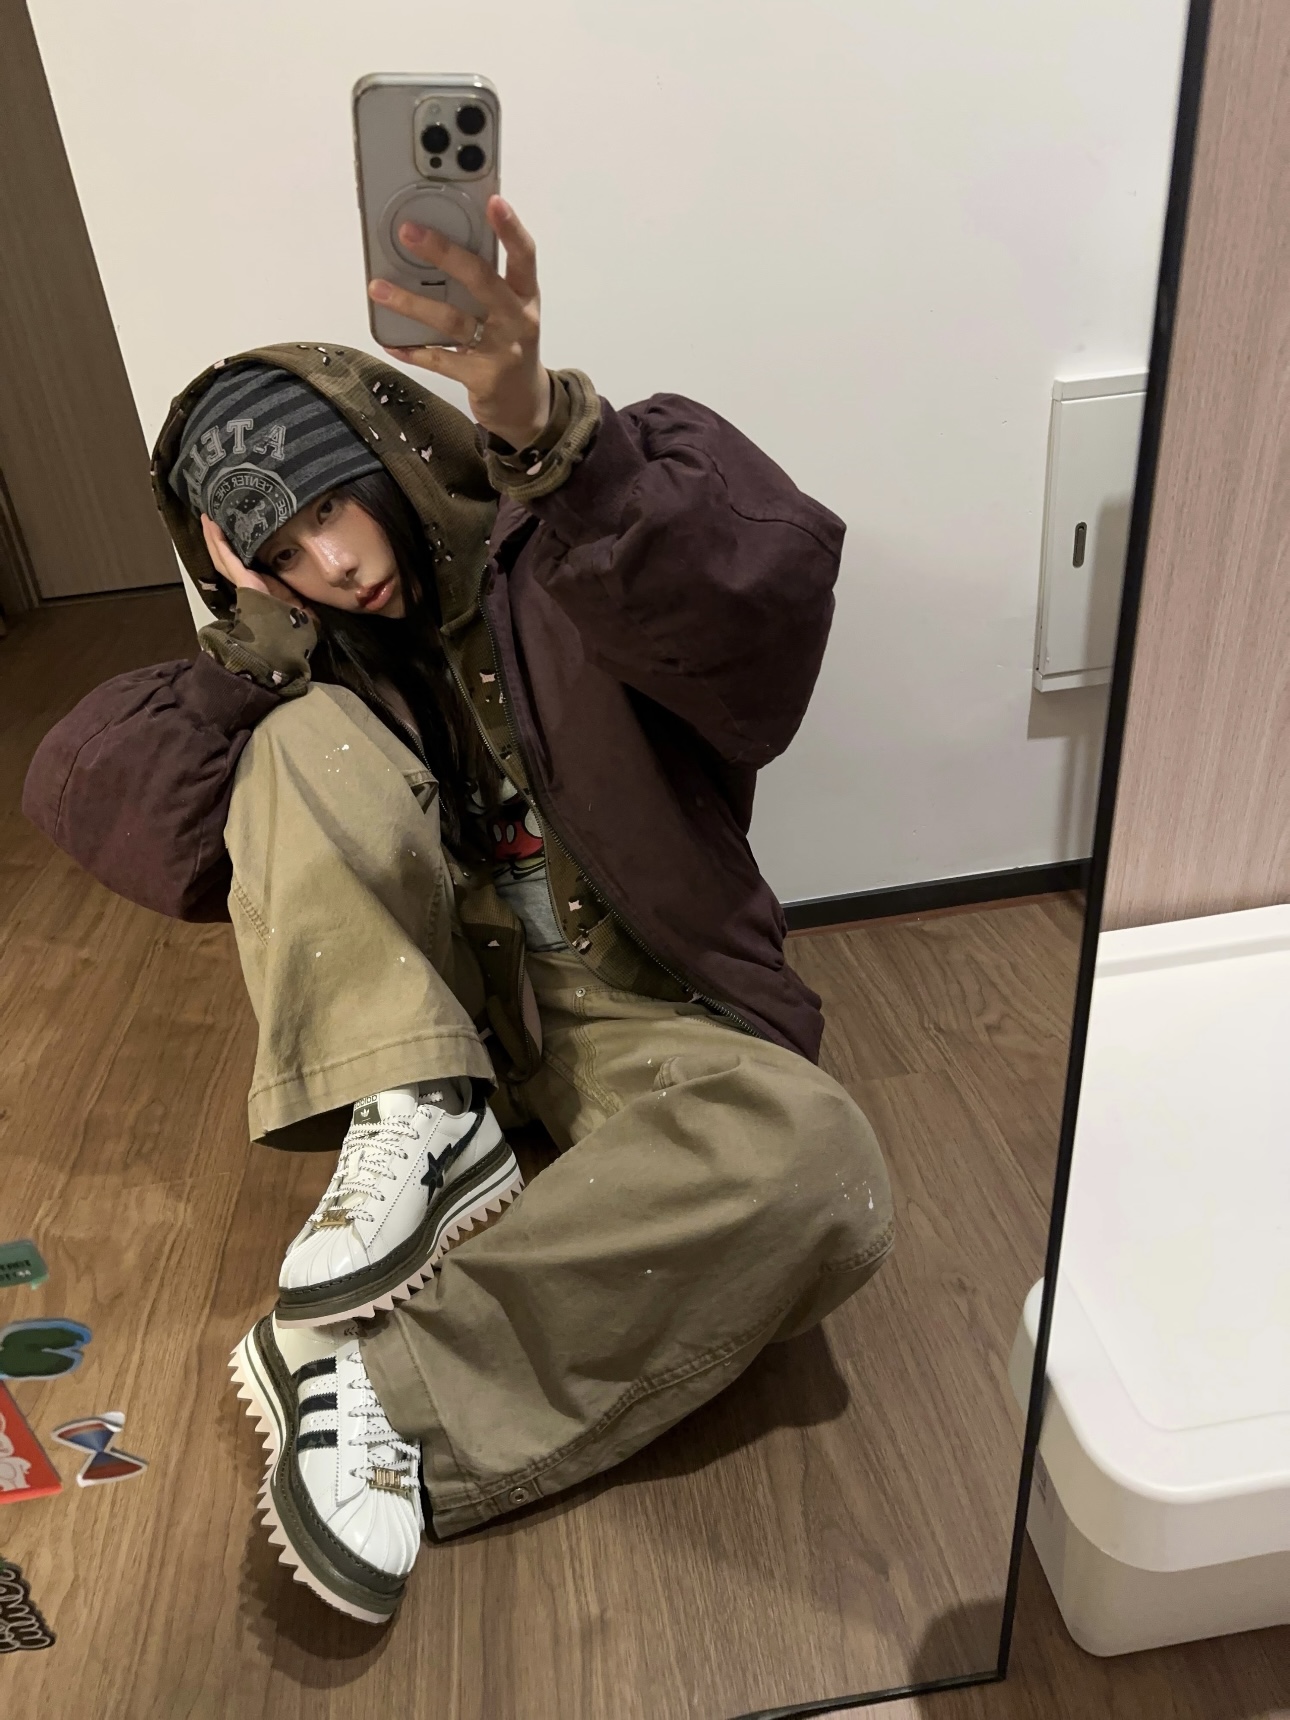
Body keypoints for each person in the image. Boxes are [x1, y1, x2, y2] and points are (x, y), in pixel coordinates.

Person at [23, 198, 894, 1625]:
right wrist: (254, 648)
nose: (331, 565)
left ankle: (366, 1388)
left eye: (329, 507)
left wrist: (548, 431)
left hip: (634, 1001)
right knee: (293, 745)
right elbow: (106, 804)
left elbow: (756, 614)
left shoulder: (583, 526)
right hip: (439, 1016)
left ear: (385, 455)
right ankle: (422, 1109)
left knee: (814, 1160)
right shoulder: (302, 650)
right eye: (281, 549)